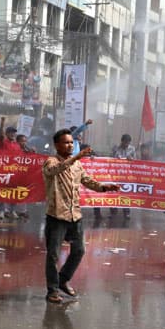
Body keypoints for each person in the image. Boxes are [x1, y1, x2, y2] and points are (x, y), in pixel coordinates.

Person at [42, 129, 120, 304]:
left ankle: (63, 279)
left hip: (75, 214)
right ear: (57, 145)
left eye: (71, 142)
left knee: (79, 250)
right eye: (66, 142)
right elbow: (54, 170)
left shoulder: (77, 165)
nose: (70, 145)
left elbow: (88, 181)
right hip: (56, 215)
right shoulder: (50, 162)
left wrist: (106, 187)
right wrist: (76, 157)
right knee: (53, 255)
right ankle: (52, 290)